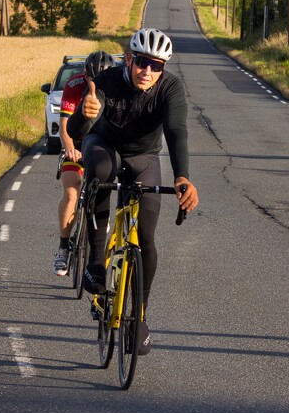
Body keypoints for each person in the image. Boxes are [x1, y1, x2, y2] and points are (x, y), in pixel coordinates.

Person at [67, 28, 199, 355]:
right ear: (129, 58)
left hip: (143, 157)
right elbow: (73, 130)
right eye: (142, 62)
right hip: (104, 146)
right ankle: (96, 262)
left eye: (157, 66)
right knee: (100, 172)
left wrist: (182, 177)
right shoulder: (108, 82)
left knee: (146, 236)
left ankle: (139, 316)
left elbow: (176, 132)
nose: (148, 71)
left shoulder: (170, 89)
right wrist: (84, 118)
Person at [52, 50, 115, 275]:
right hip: (76, 145)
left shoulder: (115, 88)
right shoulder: (74, 83)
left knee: (101, 188)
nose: (93, 84)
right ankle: (63, 248)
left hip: (100, 146)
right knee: (71, 192)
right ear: (85, 75)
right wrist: (69, 148)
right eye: (90, 78)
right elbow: (64, 123)